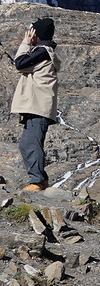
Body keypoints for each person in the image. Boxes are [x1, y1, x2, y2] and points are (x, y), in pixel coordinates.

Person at [10, 17, 60, 191]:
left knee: (32, 142)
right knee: (27, 143)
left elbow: (20, 63)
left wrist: (26, 42)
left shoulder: (43, 52)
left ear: (36, 34)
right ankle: (42, 180)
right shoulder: (42, 51)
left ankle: (37, 181)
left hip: (38, 105)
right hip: (36, 105)